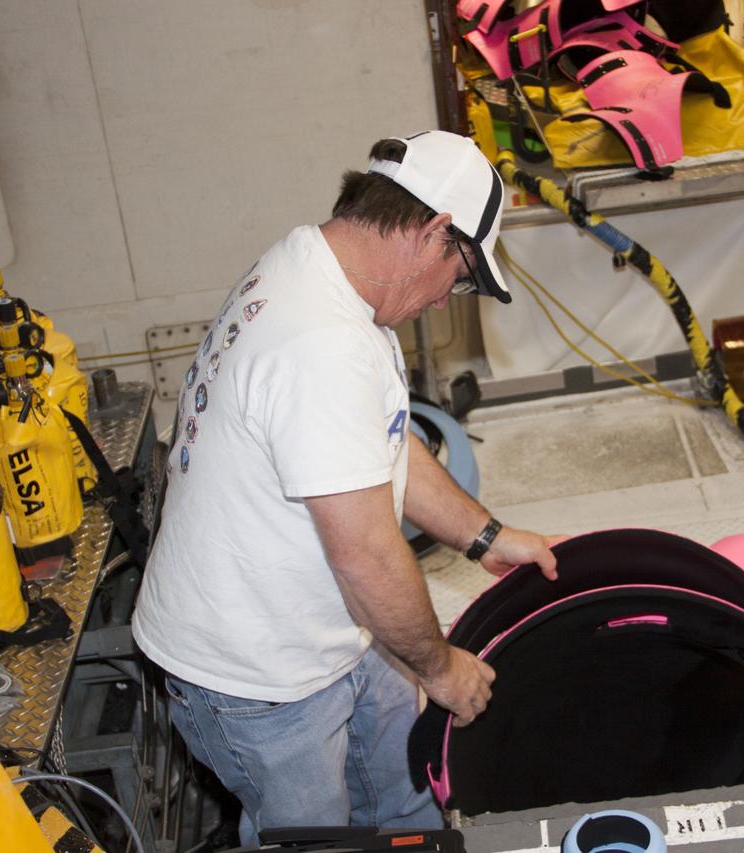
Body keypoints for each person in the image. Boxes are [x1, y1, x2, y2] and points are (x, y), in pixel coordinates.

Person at [132, 130, 558, 845]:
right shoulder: (321, 341)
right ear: (434, 230)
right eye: (459, 278)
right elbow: (364, 553)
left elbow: (381, 444)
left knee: (409, 802)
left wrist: (484, 535)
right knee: (317, 840)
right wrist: (441, 666)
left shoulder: (321, 267)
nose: (447, 300)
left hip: (334, 630)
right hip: (257, 676)